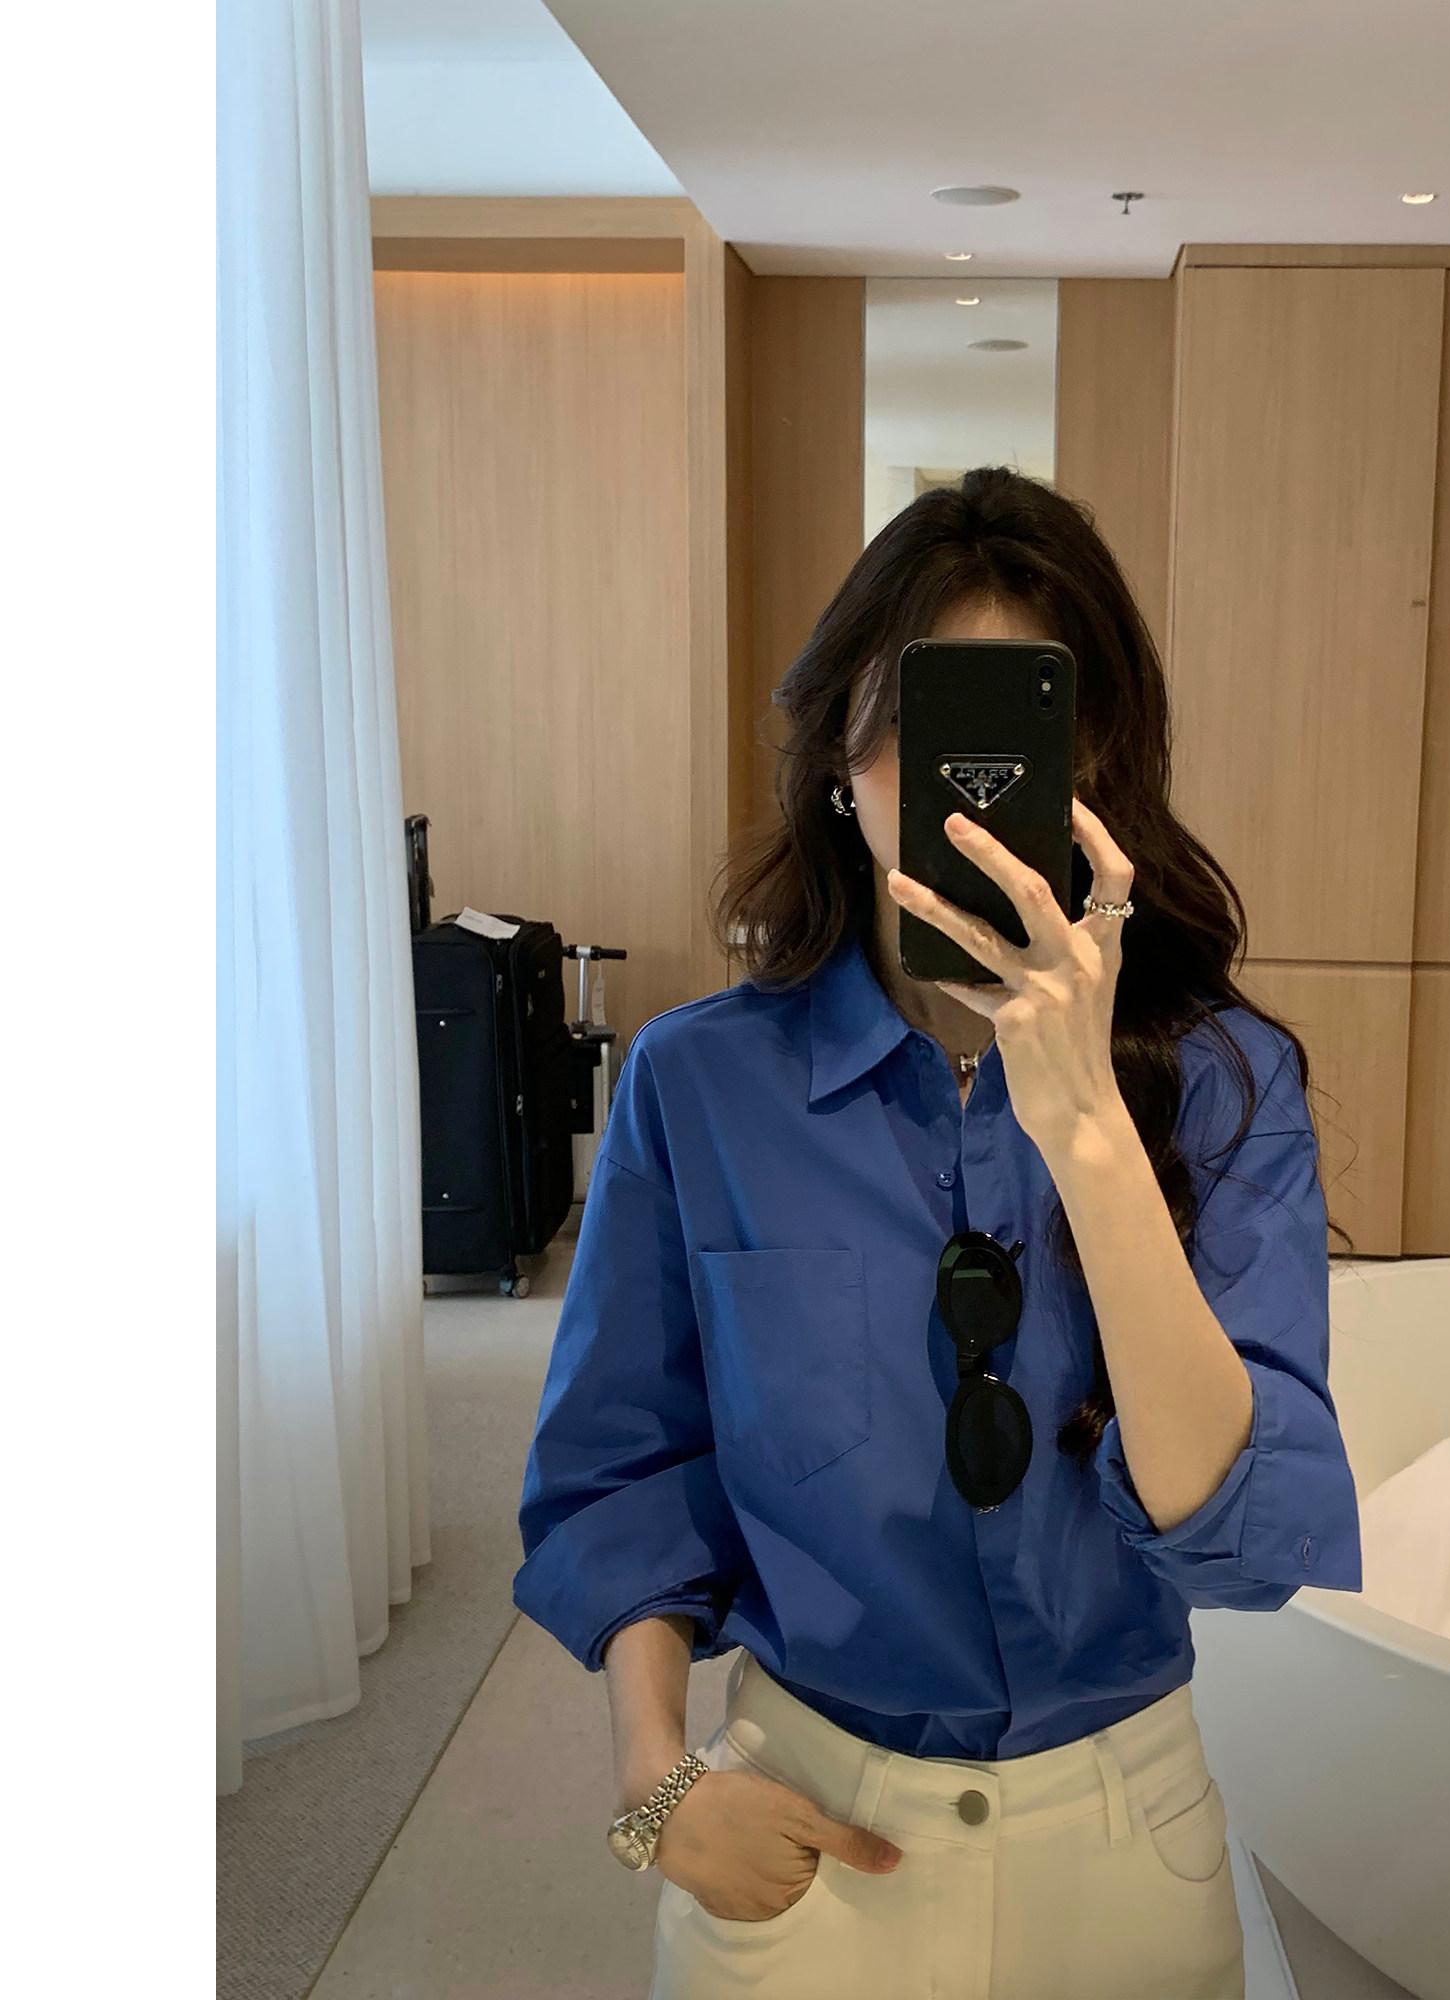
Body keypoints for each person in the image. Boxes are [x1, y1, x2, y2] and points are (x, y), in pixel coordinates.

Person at [513, 467, 1361, 2000]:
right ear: (839, 760)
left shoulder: (1225, 1082)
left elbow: (1246, 1545)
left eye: (1018, 722)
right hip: (798, 1838)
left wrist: (1089, 1133)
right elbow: (620, 1468)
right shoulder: (701, 1082)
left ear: (1096, 761)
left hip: (1127, 1846)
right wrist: (656, 1782)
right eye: (911, 719)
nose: (962, 785)